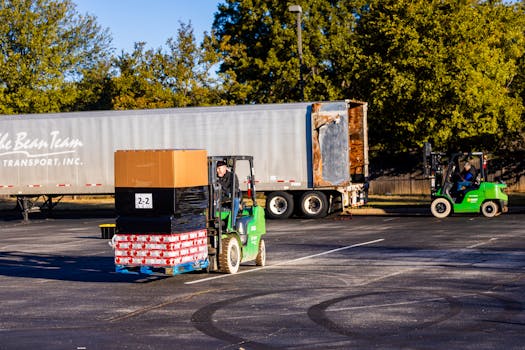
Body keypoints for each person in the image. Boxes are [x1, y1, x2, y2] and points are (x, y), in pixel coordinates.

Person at [216, 160, 240, 225]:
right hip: (219, 198)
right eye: (216, 169)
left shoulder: (232, 176)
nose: (217, 170)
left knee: (236, 201)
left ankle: (232, 224)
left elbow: (234, 189)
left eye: (219, 168)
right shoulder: (215, 178)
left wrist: (223, 190)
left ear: (225, 168)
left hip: (229, 197)